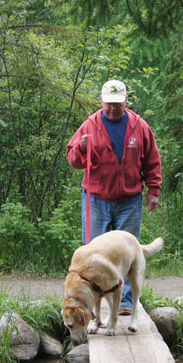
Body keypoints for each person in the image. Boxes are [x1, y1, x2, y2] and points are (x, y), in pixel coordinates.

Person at [66, 79, 162, 315]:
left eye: (117, 104)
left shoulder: (139, 126)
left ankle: (126, 304)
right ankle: (93, 304)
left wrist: (153, 190)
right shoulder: (90, 125)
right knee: (92, 256)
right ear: (102, 101)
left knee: (127, 255)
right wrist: (81, 147)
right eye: (109, 103)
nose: (112, 108)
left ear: (125, 101)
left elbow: (152, 159)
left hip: (129, 201)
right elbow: (73, 159)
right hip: (96, 199)